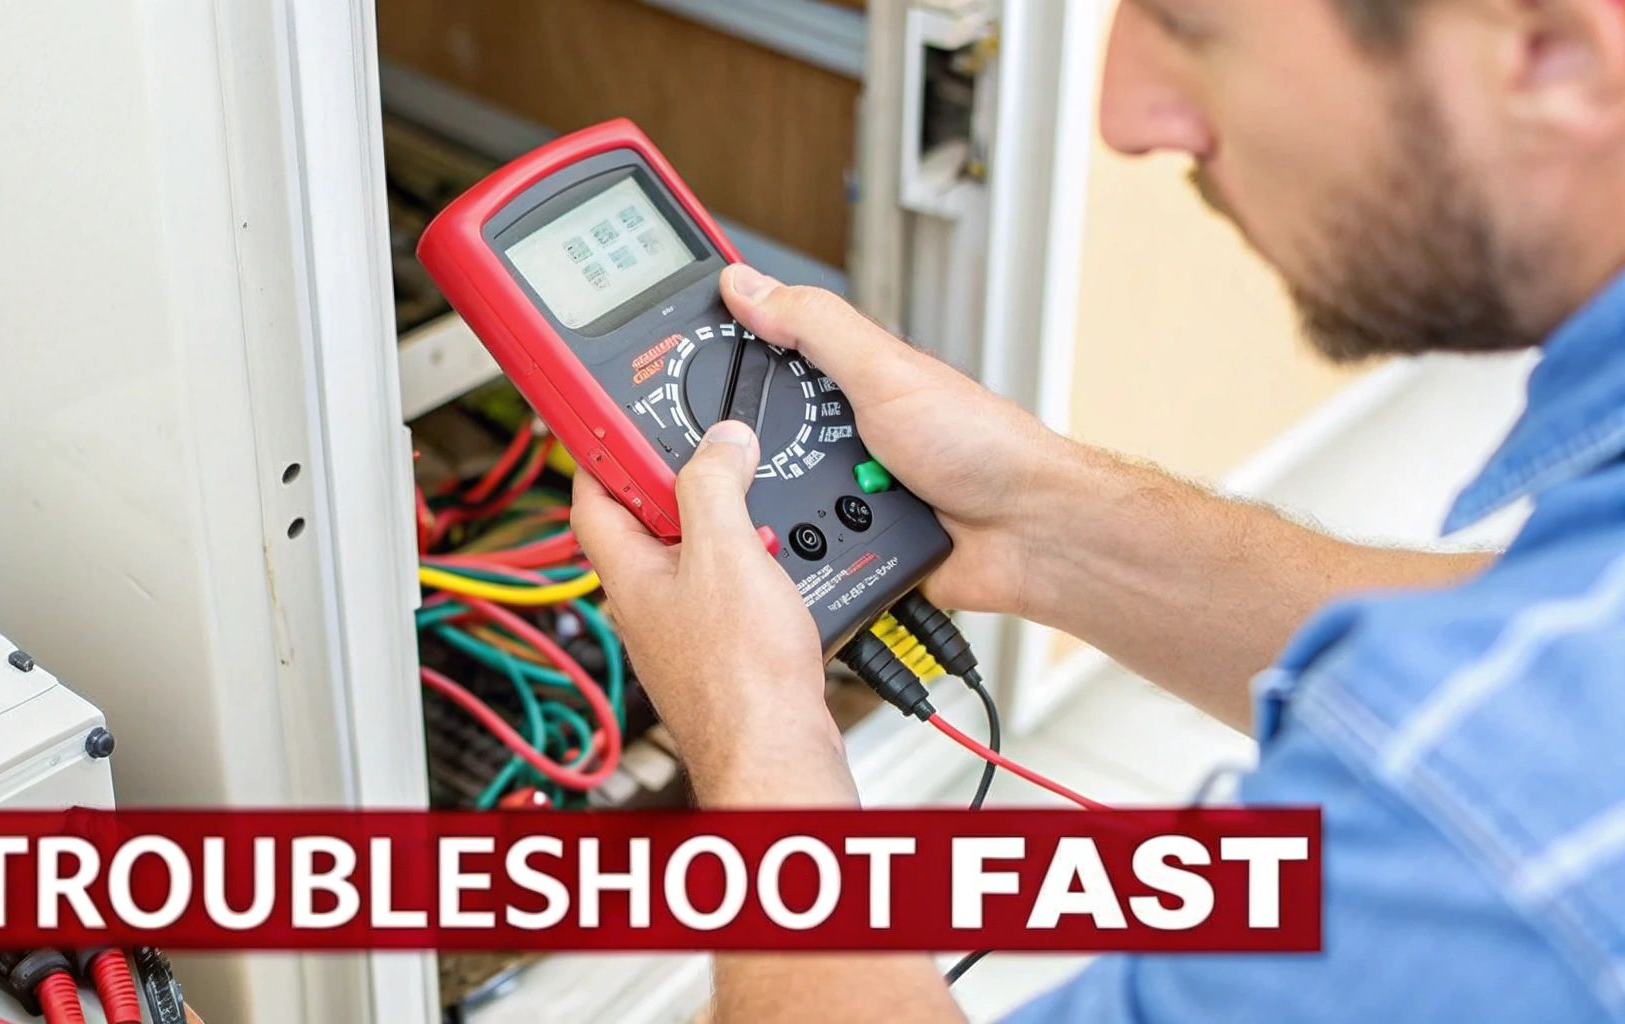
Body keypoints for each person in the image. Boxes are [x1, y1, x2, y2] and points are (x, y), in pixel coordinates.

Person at [571, 0, 1625, 1020]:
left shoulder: (1475, 823)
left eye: (1187, 23)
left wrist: (756, 738)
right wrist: (1033, 516)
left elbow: (1486, 738)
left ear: (1551, 54)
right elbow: (1525, 618)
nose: (1120, 120)